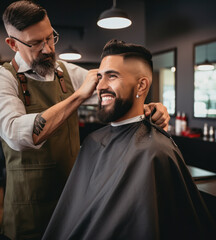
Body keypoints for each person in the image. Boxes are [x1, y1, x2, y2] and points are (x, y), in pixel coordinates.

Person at [0, 1, 169, 239]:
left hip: (74, 201)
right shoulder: (0, 82)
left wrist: (149, 108)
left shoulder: (68, 73)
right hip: (28, 210)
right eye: (35, 43)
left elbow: (113, 95)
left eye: (50, 38)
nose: (48, 49)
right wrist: (79, 96)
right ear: (12, 43)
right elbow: (18, 135)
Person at [42, 40, 216, 240]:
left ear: (141, 86)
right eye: (99, 77)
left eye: (112, 76)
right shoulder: (92, 142)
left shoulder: (154, 152)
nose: (100, 86)